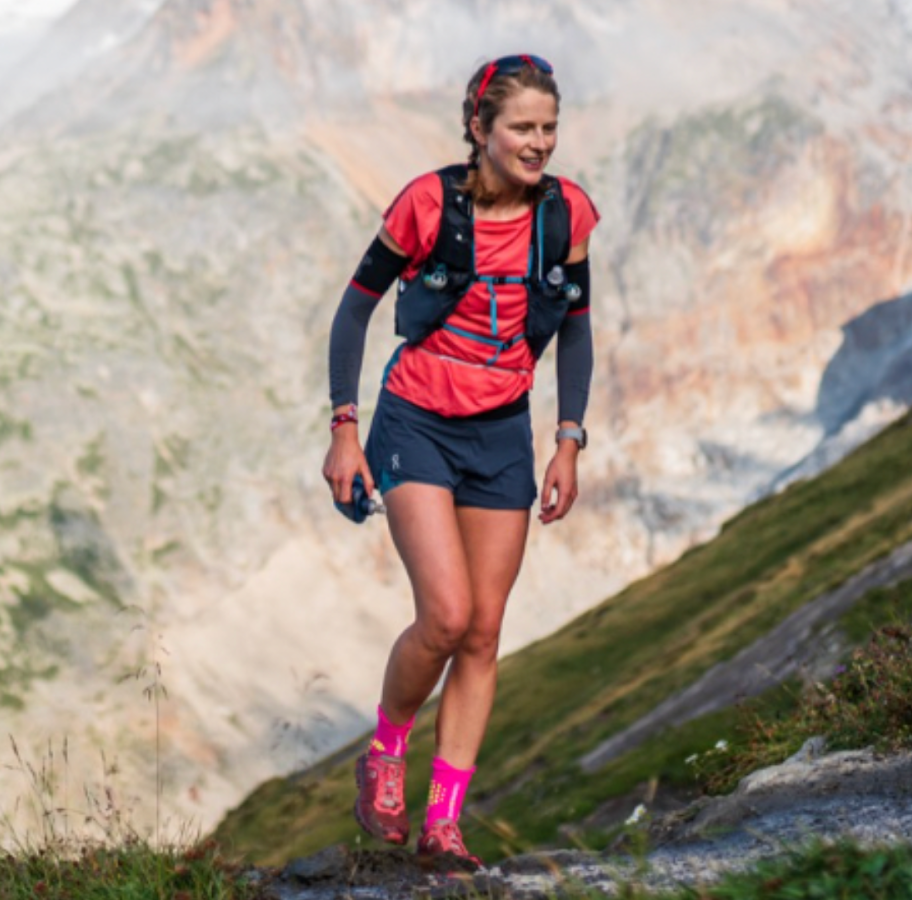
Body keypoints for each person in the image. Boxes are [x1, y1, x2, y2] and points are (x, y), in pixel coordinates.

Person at [321, 53, 599, 867]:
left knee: (482, 632)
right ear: (479, 129)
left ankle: (444, 824)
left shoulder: (567, 214)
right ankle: (386, 750)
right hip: (416, 421)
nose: (539, 142)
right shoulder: (426, 204)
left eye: (549, 127)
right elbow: (355, 309)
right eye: (522, 126)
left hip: (503, 433)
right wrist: (345, 425)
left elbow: (577, 327)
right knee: (444, 615)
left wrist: (569, 439)